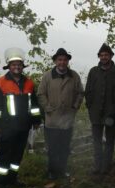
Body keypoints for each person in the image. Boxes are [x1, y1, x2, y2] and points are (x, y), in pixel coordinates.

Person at [0, 47, 41, 188]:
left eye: (19, 64)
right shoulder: (0, 84)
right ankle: (1, 183)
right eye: (13, 64)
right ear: (8, 65)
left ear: (22, 65)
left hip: (23, 126)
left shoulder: (29, 83)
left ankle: (12, 179)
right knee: (4, 155)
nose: (17, 67)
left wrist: (36, 120)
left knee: (17, 154)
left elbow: (34, 105)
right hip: (6, 127)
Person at [37, 48, 84, 180]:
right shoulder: (47, 76)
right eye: (59, 60)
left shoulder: (74, 76)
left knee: (64, 147)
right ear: (55, 61)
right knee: (52, 148)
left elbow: (80, 93)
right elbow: (41, 94)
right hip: (52, 119)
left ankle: (62, 170)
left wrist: (75, 106)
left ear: (68, 61)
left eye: (64, 60)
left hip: (67, 120)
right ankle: (52, 171)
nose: (62, 62)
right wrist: (47, 107)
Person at [85, 43, 115, 175]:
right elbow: (88, 91)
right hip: (96, 114)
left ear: (111, 56)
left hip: (112, 114)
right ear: (99, 56)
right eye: (101, 55)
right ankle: (97, 165)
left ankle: (106, 166)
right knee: (96, 141)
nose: (104, 57)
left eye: (106, 55)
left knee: (109, 141)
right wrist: (90, 106)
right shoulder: (93, 72)